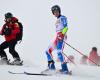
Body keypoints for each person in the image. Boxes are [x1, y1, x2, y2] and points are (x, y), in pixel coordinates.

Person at [45, 5, 70, 74]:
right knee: (47, 51)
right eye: (54, 12)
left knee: (59, 52)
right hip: (57, 37)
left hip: (62, 36)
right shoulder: (57, 20)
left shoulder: (63, 18)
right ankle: (51, 67)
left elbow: (66, 27)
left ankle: (65, 69)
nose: (55, 13)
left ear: (59, 11)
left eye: (57, 11)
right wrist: (58, 36)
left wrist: (62, 34)